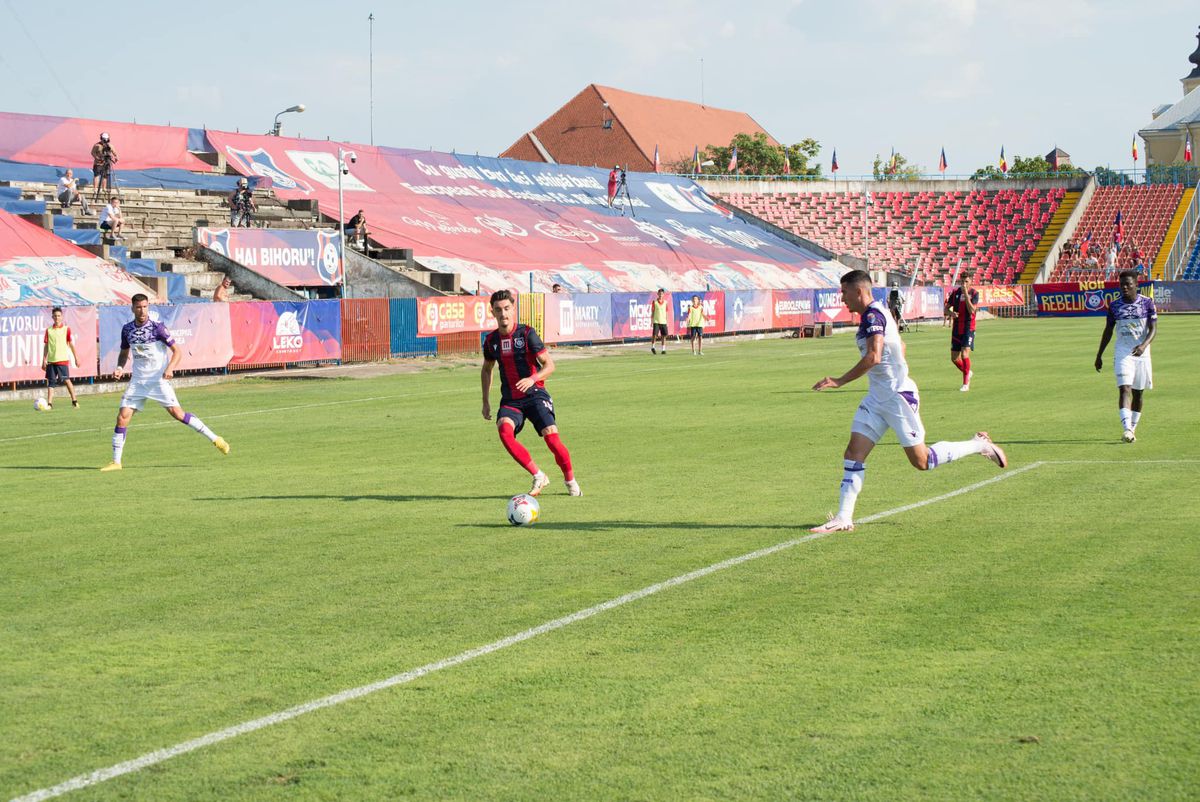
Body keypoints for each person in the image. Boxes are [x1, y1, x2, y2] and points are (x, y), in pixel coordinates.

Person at [809, 270, 1007, 533]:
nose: (842, 298)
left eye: (844, 292)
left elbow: (874, 357)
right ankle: (844, 518)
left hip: (896, 398)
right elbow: (900, 346)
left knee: (922, 461)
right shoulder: (878, 312)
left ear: (859, 291)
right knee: (853, 453)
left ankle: (978, 444)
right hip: (878, 397)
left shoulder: (872, 316)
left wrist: (839, 380)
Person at [101, 294, 230, 471]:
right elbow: (124, 353)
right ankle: (116, 462)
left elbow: (177, 351)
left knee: (178, 414)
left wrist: (169, 368)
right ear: (132, 308)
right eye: (139, 307)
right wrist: (119, 367)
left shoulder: (157, 328)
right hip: (138, 382)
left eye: (145, 307)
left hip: (157, 380)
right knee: (122, 418)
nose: (142, 310)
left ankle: (216, 439)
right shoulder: (127, 330)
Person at [480, 290, 580, 496]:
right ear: (493, 312)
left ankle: (570, 481)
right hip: (511, 400)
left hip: (535, 394)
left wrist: (532, 379)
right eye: (498, 310)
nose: (503, 314)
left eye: (506, 309)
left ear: (513, 309)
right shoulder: (491, 341)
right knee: (504, 432)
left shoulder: (527, 334)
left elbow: (550, 365)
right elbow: (486, 369)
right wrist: (485, 402)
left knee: (551, 438)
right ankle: (538, 475)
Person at [1095, 269, 1157, 443]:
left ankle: (1132, 429)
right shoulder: (1114, 306)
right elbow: (1108, 331)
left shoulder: (1147, 303)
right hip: (1123, 352)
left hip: (1142, 353)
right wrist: (1099, 354)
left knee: (1138, 394)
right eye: (1122, 284)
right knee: (1124, 388)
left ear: (1136, 285)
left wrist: (1144, 346)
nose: (1124, 287)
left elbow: (1153, 329)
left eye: (1128, 284)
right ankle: (1127, 428)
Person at [945, 272, 979, 391]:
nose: (964, 284)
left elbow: (972, 311)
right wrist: (951, 313)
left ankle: (965, 384)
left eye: (966, 281)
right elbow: (945, 309)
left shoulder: (974, 293)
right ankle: (967, 372)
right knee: (954, 358)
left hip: (968, 327)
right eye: (962, 282)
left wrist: (966, 293)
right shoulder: (955, 293)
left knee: (965, 354)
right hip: (956, 327)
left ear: (971, 282)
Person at [41, 307, 79, 409]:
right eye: (55, 316)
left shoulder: (66, 329)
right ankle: (49, 404)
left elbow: (71, 344)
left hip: (62, 360)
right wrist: (44, 360)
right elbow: (46, 346)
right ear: (52, 317)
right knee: (51, 382)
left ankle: (74, 401)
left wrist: (76, 358)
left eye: (58, 316)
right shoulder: (49, 330)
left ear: (61, 317)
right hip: (51, 361)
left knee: (66, 380)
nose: (57, 318)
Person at [90, 132, 117, 201]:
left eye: (106, 139)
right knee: (97, 176)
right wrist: (97, 158)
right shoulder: (97, 145)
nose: (105, 141)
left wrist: (116, 157)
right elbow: (92, 152)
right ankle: (95, 189)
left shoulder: (110, 146)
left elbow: (114, 152)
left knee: (105, 176)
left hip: (106, 162)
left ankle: (104, 188)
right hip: (98, 163)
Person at [650, 288, 669, 354]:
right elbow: (652, 312)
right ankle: (653, 347)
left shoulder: (666, 302)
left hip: (663, 321)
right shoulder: (654, 302)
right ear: (657, 294)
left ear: (663, 294)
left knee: (664, 335)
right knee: (654, 335)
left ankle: (663, 349)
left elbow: (666, 312)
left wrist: (667, 321)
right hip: (656, 321)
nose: (661, 295)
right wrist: (651, 321)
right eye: (659, 294)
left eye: (662, 294)